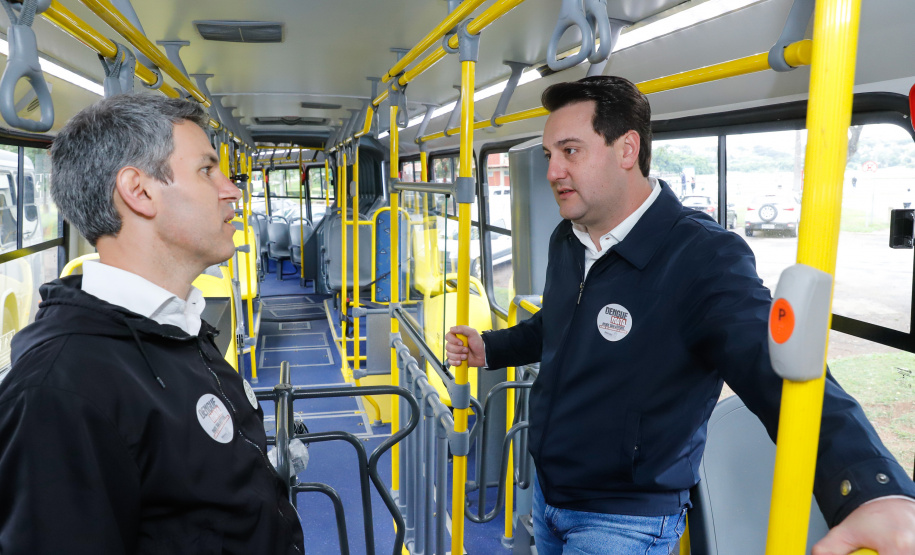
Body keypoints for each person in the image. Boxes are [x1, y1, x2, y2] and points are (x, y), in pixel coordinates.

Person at [445, 76, 915, 555]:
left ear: (627, 149)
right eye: (549, 155)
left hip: (623, 518)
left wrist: (870, 487)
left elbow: (772, 366)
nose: (553, 171)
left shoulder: (701, 256)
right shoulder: (569, 238)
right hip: (549, 493)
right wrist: (493, 347)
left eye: (570, 151)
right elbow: (559, 324)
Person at [0, 94, 305, 554]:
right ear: (139, 192)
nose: (232, 190)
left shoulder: (175, 326)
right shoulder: (58, 393)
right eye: (207, 170)